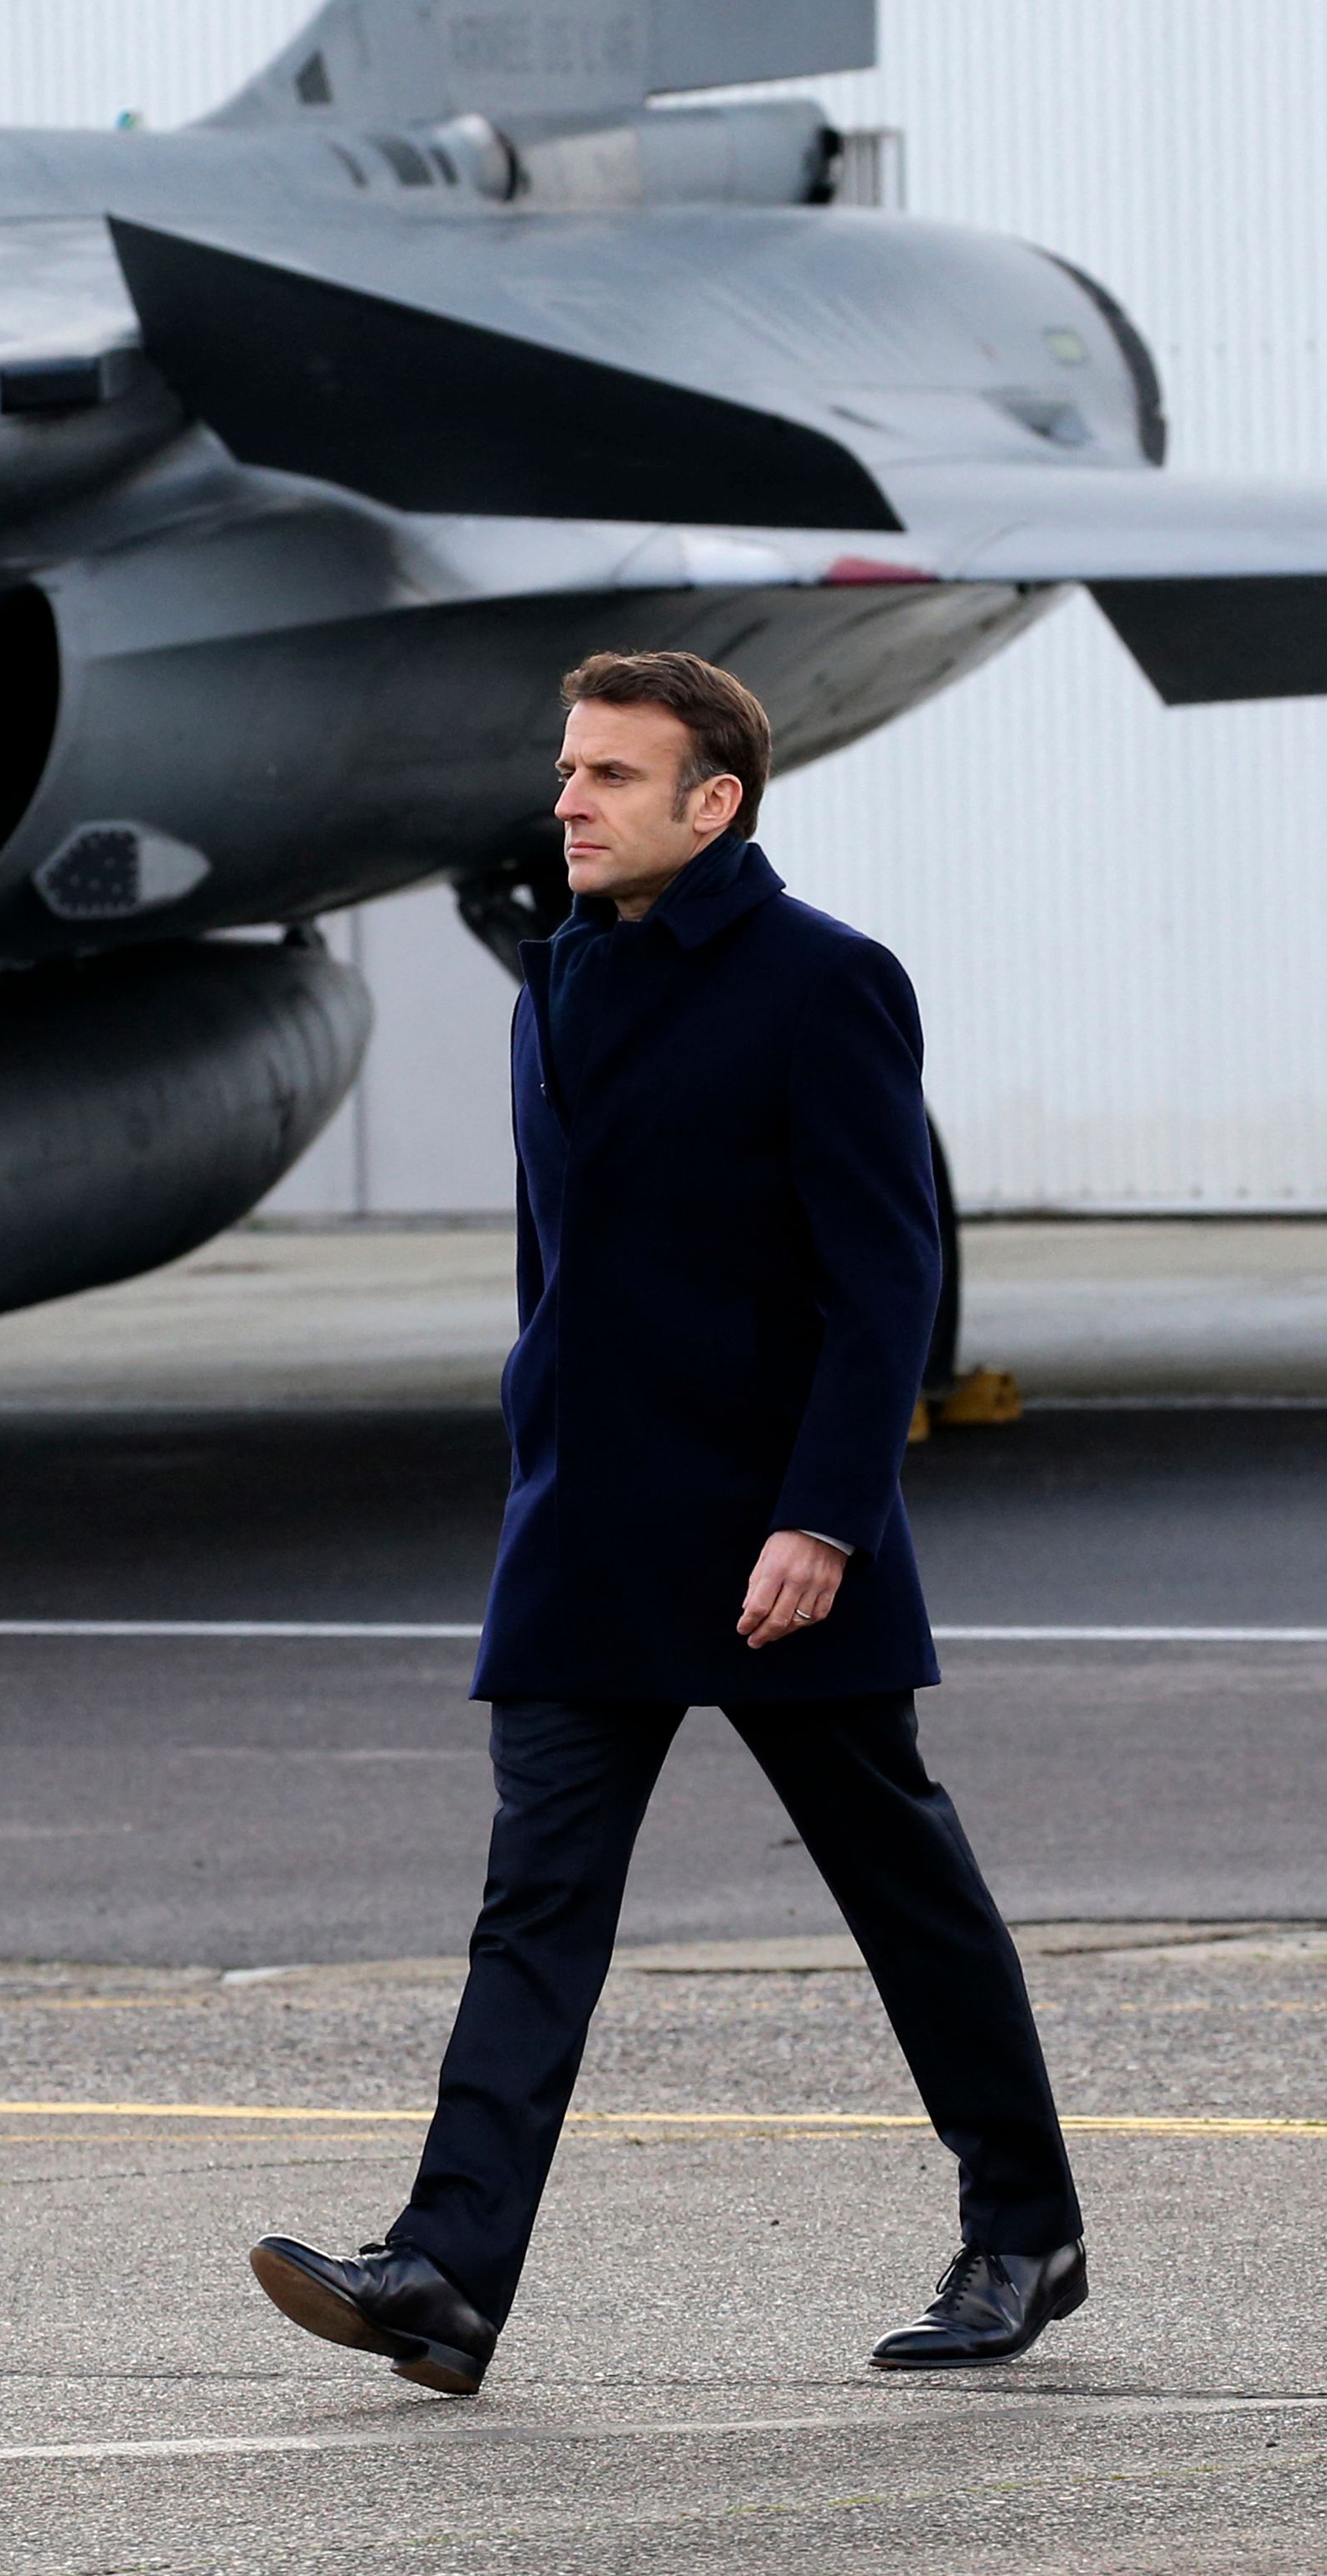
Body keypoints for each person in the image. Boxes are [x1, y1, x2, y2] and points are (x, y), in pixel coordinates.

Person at [247, 650, 1084, 2396]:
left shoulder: (826, 983)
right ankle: (449, 2276)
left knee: (902, 1890)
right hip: (588, 1532)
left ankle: (1026, 2231)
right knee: (533, 1903)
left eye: (612, 776)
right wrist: (533, 1452)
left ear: (714, 805)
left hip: (779, 1536)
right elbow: (559, 1277)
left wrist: (829, 1520)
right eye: (569, 770)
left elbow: (883, 1281)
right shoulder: (553, 985)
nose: (570, 801)